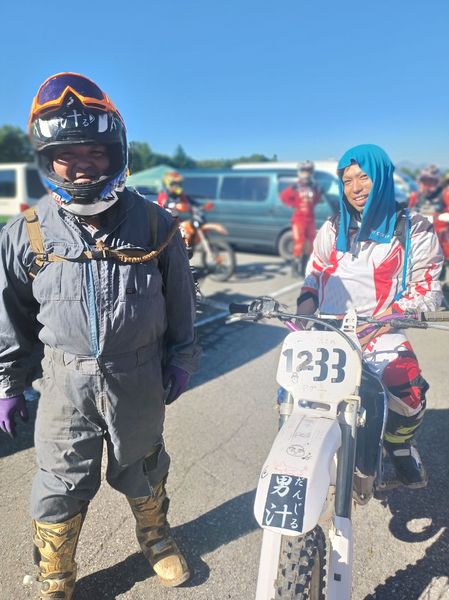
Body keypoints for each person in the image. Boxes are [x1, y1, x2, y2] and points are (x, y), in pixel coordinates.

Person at [0, 72, 201, 599]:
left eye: (95, 151)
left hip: (138, 376)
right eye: (67, 154)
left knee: (146, 463)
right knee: (59, 481)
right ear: (48, 160)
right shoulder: (25, 233)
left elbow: (182, 302)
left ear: (116, 153)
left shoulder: (156, 225)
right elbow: (10, 318)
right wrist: (7, 383)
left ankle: (155, 537)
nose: (82, 164)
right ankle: (55, 573)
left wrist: (183, 358)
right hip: (63, 382)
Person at [296, 144, 443, 489]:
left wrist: (384, 321)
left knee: (408, 389)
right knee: (294, 391)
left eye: (364, 177)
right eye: (347, 181)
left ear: (382, 177)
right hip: (329, 331)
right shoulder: (333, 226)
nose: (356, 187)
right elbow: (314, 273)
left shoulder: (414, 228)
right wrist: (302, 316)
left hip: (382, 329)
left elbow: (427, 288)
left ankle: (398, 445)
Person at [280, 160, 321, 276]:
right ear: (300, 172)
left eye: (308, 171)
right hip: (299, 219)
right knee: (299, 244)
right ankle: (295, 269)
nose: (306, 173)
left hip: (310, 219)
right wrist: (294, 205)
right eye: (304, 171)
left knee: (310, 246)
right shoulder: (296, 186)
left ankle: (305, 269)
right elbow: (284, 197)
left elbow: (317, 198)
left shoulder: (314, 186)